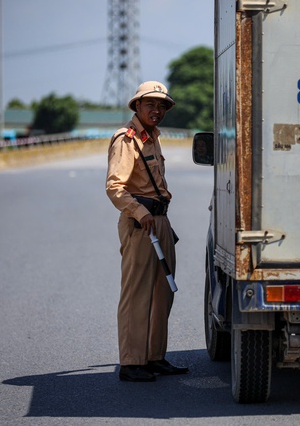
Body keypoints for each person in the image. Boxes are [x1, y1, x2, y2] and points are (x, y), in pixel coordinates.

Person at [106, 81, 189, 382]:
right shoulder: (126, 140)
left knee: (162, 291)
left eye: (162, 105)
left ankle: (154, 357)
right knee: (137, 293)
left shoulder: (152, 137)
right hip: (141, 223)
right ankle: (131, 362)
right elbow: (115, 187)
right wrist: (140, 213)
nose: (157, 110)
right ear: (137, 106)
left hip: (160, 220)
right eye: (150, 104)